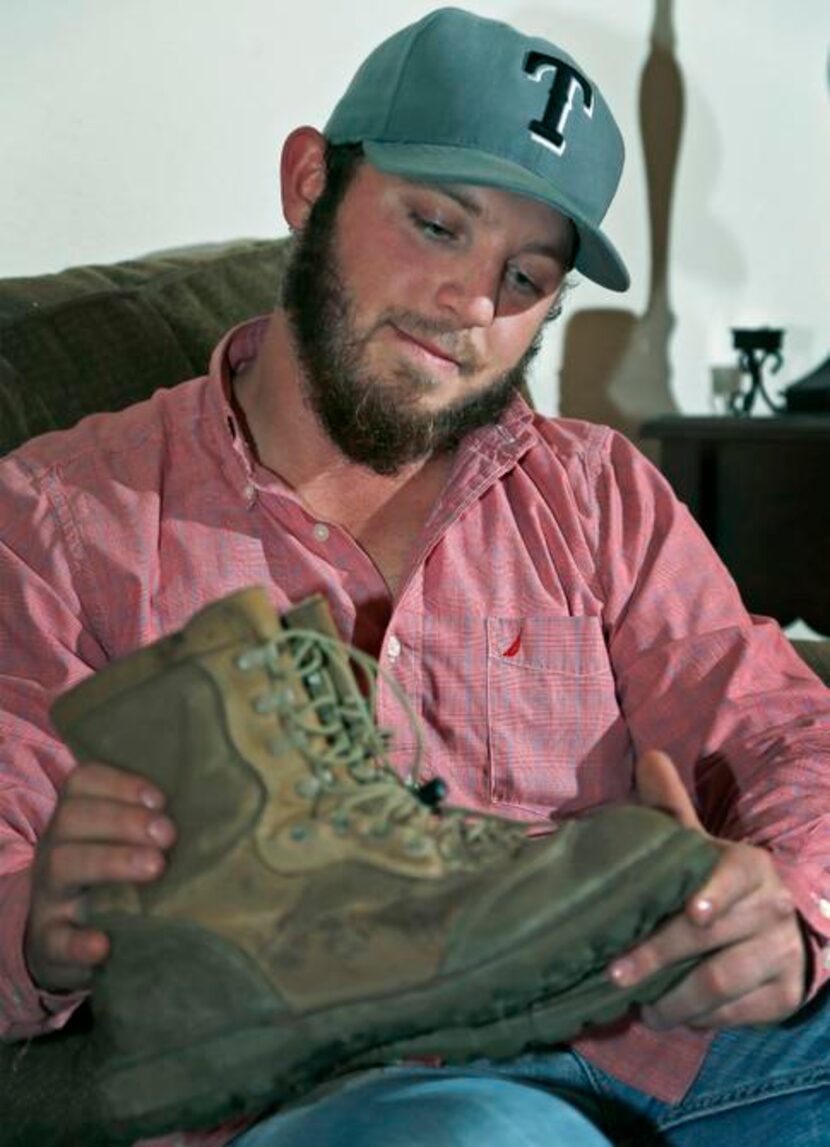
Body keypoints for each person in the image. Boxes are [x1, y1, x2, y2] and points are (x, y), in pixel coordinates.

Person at [1, 7, 829, 1146]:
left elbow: (782, 725)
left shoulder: (596, 492)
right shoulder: (61, 517)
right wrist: (46, 923)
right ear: (308, 183)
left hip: (669, 1035)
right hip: (369, 1087)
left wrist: (788, 912)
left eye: (525, 275)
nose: (473, 305)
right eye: (436, 226)